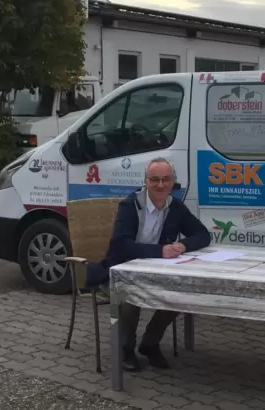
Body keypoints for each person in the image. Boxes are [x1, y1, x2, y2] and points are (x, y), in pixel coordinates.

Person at [85, 158, 210, 372]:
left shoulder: (175, 206)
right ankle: (126, 350)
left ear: (173, 182)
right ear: (146, 181)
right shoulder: (130, 205)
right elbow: (120, 245)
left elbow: (203, 235)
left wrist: (183, 245)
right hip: (119, 272)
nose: (160, 185)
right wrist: (160, 251)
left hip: (155, 273)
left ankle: (150, 343)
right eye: (155, 179)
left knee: (178, 295)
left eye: (166, 179)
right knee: (130, 298)